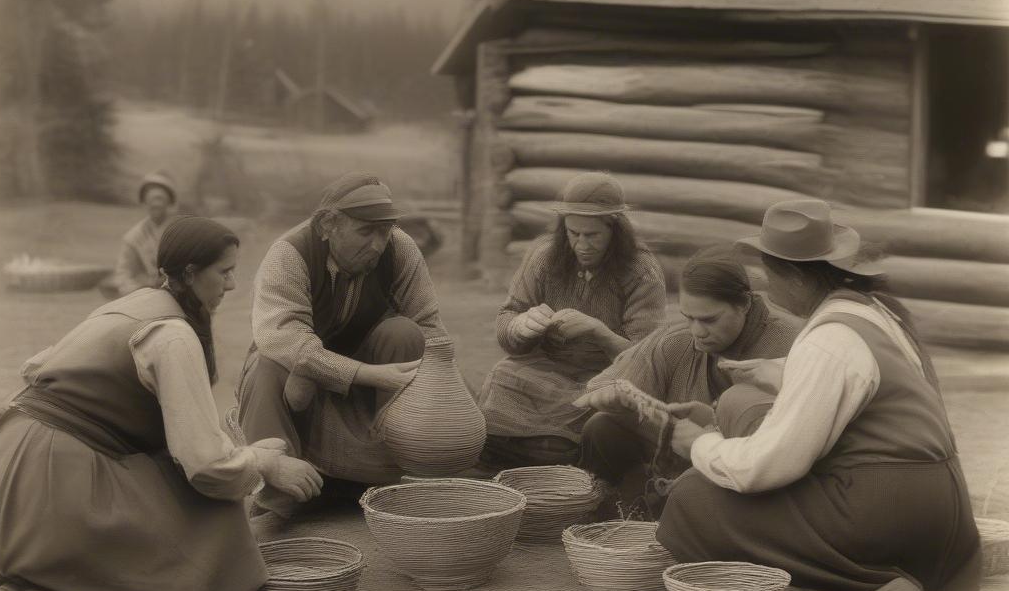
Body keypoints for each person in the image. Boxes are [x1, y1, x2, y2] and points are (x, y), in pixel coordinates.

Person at [0, 216, 323, 591]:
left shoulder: (131, 305)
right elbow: (207, 466)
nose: (233, 284)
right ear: (189, 273)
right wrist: (265, 462)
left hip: (3, 468)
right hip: (46, 487)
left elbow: (35, 367)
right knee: (206, 508)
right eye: (224, 272)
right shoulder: (171, 334)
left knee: (156, 467)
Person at [657, 199, 981, 591]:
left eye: (770, 275)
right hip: (944, 517)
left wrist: (700, 443)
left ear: (793, 277)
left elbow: (766, 468)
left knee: (693, 499)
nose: (768, 290)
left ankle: (866, 588)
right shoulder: (873, 313)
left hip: (887, 509)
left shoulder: (828, 340)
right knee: (740, 409)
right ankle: (917, 577)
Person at [236, 172, 444, 507]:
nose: (378, 244)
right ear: (327, 226)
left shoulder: (400, 248)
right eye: (366, 231)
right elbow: (284, 339)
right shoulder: (289, 255)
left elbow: (429, 326)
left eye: (384, 230)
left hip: (367, 360)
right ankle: (279, 493)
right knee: (268, 364)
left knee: (405, 333)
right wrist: (365, 374)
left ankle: (392, 470)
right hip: (299, 370)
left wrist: (443, 387)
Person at [576, 249, 801, 517]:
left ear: (745, 305)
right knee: (602, 427)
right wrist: (609, 397)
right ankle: (615, 523)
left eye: (709, 320)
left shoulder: (795, 344)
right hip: (681, 458)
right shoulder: (678, 341)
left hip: (753, 469)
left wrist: (711, 430)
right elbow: (604, 387)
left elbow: (797, 440)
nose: (697, 332)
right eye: (689, 318)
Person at [478, 172, 668, 469]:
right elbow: (507, 321)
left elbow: (649, 361)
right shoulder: (543, 256)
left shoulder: (641, 270)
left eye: (593, 235)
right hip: (543, 370)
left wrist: (599, 332)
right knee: (503, 376)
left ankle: (550, 455)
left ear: (615, 228)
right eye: (573, 233)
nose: (582, 244)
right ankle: (533, 453)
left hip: (603, 376)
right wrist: (521, 326)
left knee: (601, 416)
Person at [108, 170, 179, 296]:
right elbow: (123, 273)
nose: (155, 204)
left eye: (160, 199)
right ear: (144, 202)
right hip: (145, 296)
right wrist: (138, 289)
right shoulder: (134, 237)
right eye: (150, 200)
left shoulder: (183, 230)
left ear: (169, 202)